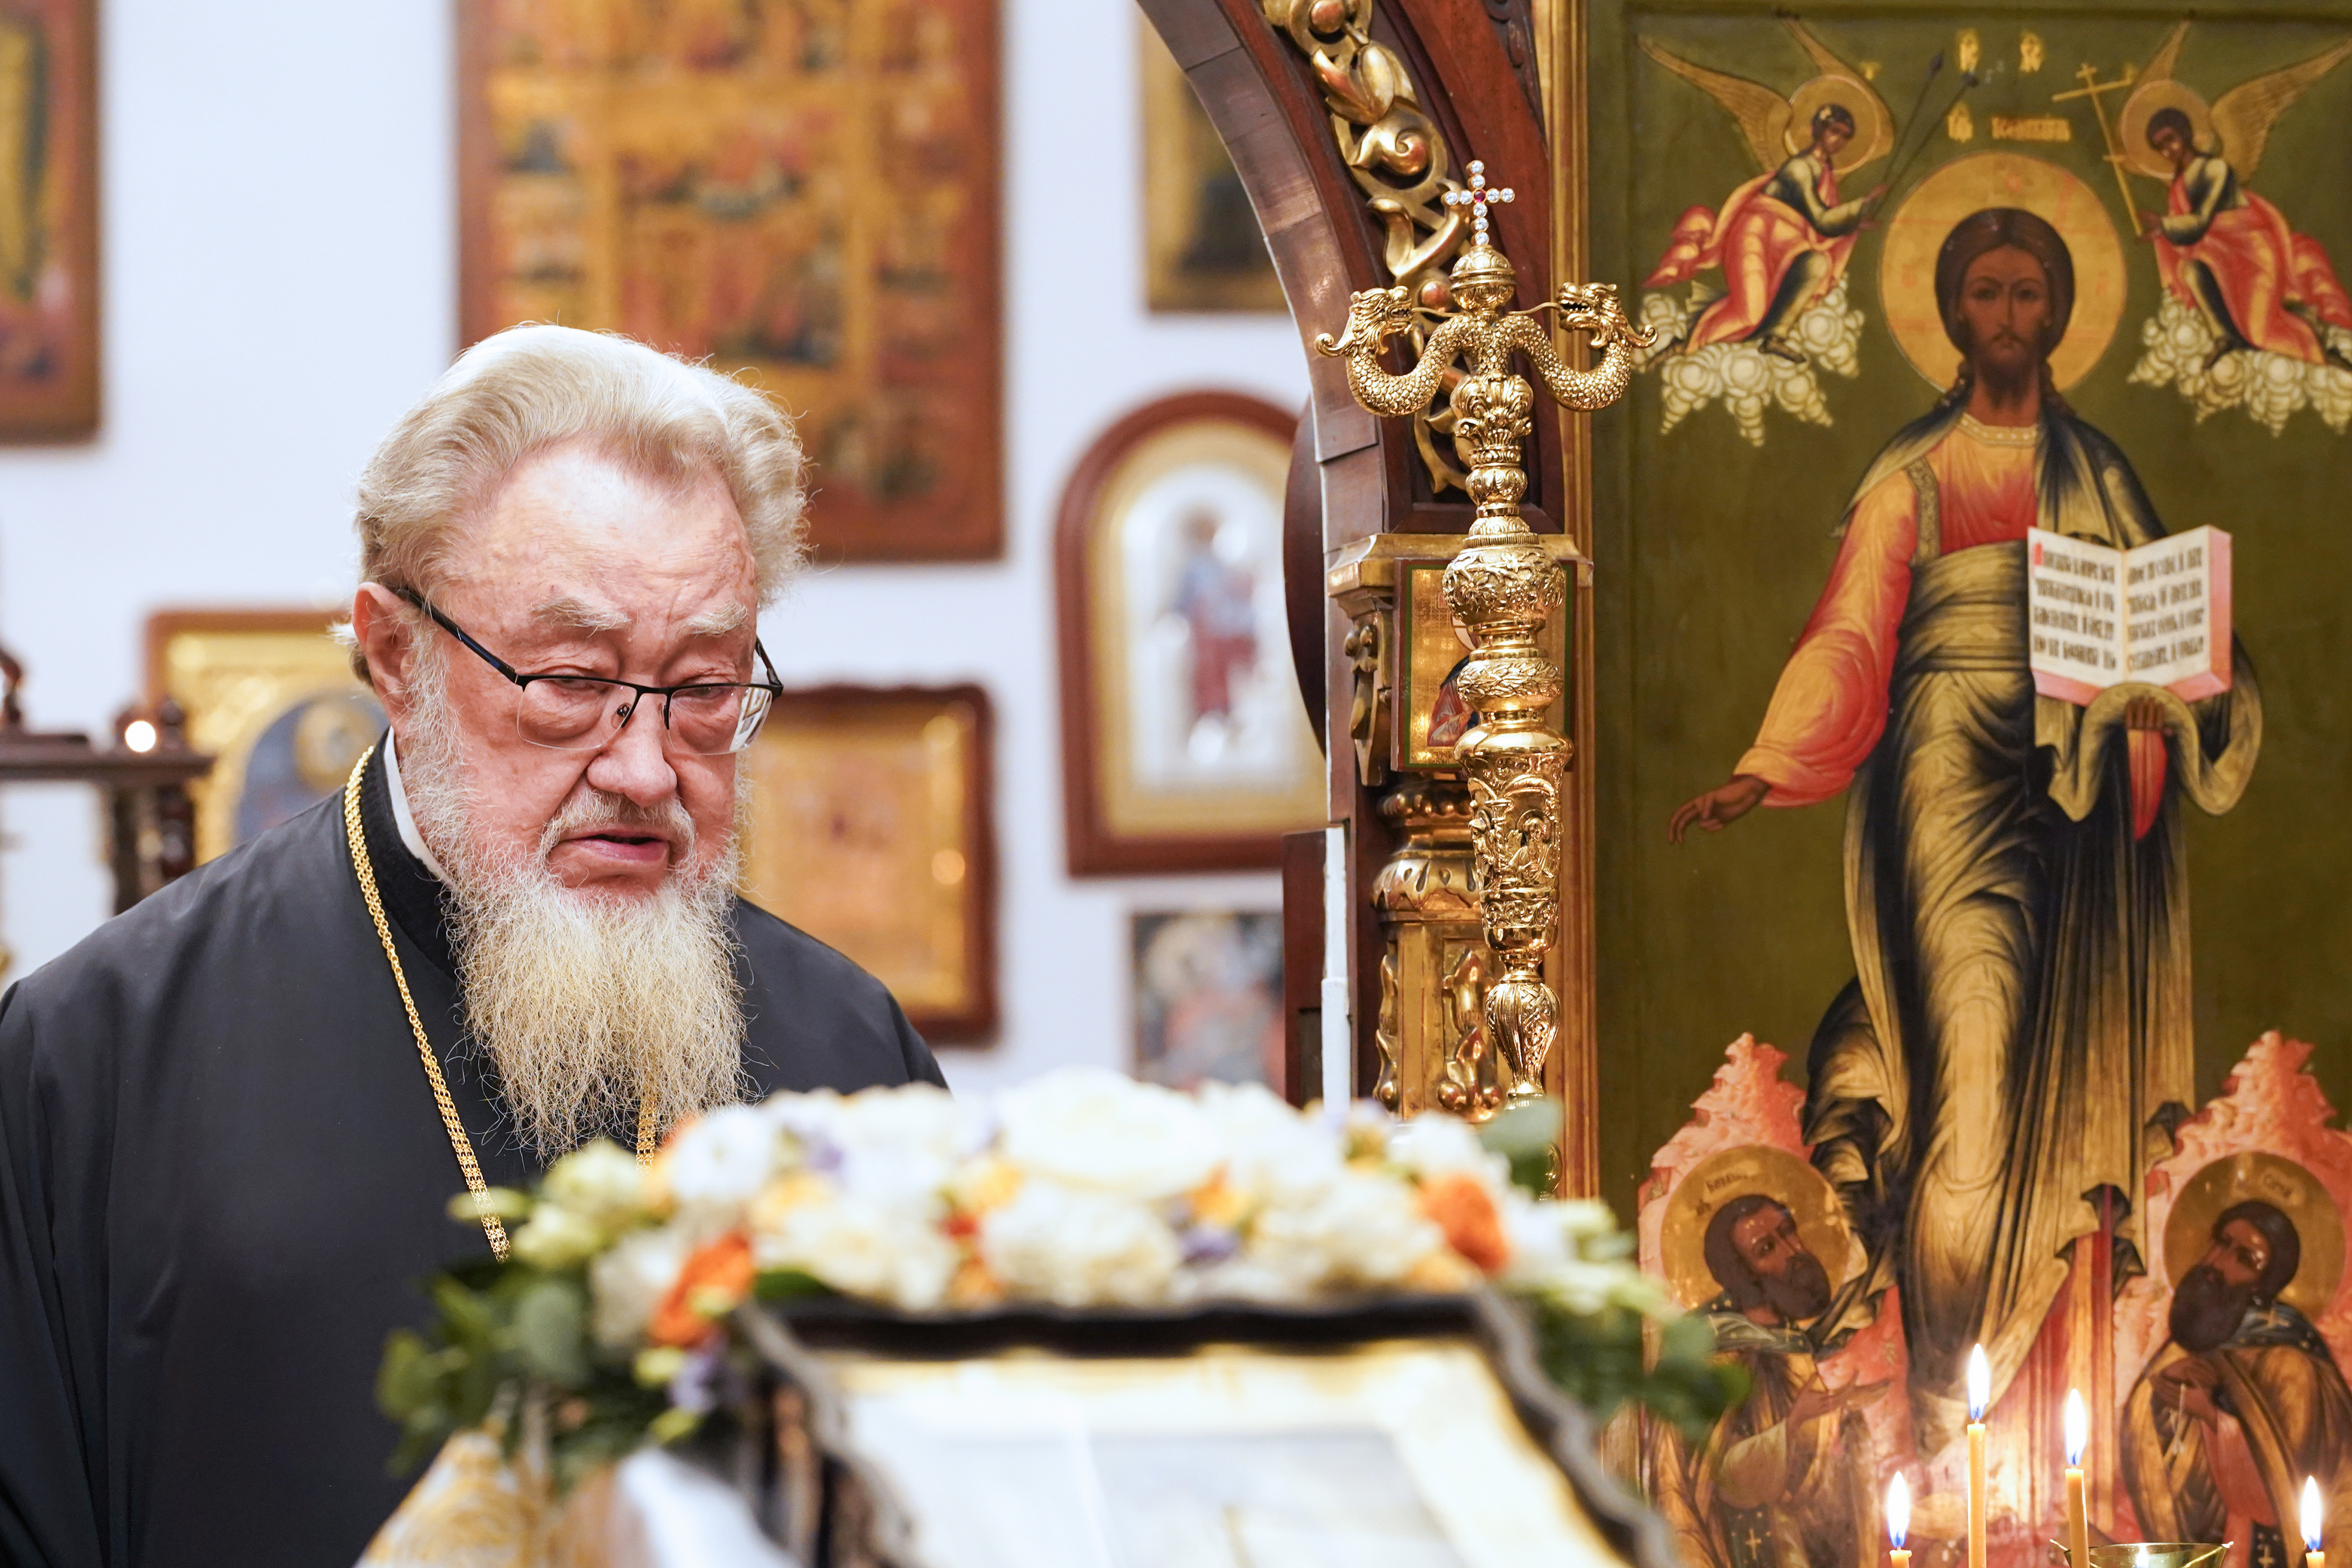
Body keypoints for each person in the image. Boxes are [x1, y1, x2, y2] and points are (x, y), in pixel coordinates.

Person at [0, 325, 946, 1566]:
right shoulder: (97, 1052)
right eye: (567, 677)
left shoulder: (847, 1046)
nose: (645, 765)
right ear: (394, 654)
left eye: (705, 686)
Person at [1667, 208, 2263, 1455]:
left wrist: (2168, 686)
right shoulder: (1915, 471)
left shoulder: (2095, 469)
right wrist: (1763, 767)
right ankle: (1945, 1421)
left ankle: (2044, 1429)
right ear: (1951, 314)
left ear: (2055, 314)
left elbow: (2177, 622)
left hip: (2087, 793)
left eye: (2027, 295)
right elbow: (1847, 635)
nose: (2006, 318)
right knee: (1972, 1087)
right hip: (1947, 769)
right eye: (1984, 295)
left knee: (2068, 1078)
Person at [1649, 1193, 1881, 1568]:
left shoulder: (1793, 1345)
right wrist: (1791, 1426)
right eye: (1768, 1248)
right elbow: (1723, 1480)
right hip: (1744, 1548)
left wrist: (1845, 1422)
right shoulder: (1711, 1354)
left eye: (1789, 1232)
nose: (1793, 1251)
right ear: (1745, 1276)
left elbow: (1816, 1479)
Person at [2123, 1201, 2352, 1565]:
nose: (2217, 1262)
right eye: (2222, 1243)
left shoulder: (2292, 1364)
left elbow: (2276, 1492)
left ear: (2265, 1283)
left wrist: (2210, 1414)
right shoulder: (2206, 1331)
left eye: (2245, 1259)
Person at [1645, 102, 1889, 364]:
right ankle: (1684, 344)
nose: (1839, 140)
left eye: (1845, 136)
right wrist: (1862, 205)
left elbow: (1822, 225)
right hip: (1758, 234)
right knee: (1750, 314)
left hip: (1787, 242)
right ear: (1818, 129)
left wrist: (1854, 223)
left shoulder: (1824, 172)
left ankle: (1776, 336)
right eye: (1835, 131)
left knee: (1817, 263)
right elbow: (1820, 219)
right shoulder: (1800, 167)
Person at [2137, 106, 2352, 373]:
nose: (2167, 150)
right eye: (2160, 147)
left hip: (2250, 254)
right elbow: (2188, 238)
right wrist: (2164, 232)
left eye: (2170, 140)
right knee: (2191, 269)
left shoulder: (2214, 169)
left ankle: (2323, 353)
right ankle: (2225, 336)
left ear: (2185, 134)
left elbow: (2202, 220)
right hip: (2218, 259)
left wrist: (2165, 225)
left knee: (2262, 333)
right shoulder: (2178, 186)